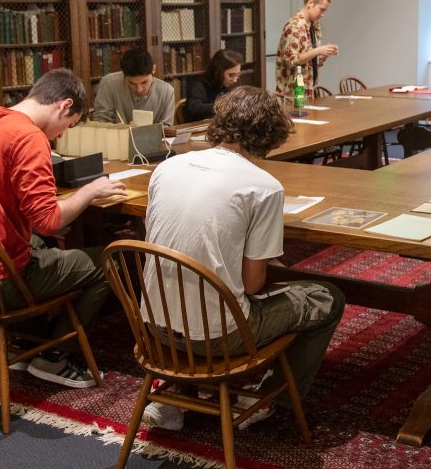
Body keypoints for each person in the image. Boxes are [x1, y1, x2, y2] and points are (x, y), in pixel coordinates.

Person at [140, 86, 345, 430]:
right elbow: (252, 285)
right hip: (216, 338)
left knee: (198, 293)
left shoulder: (166, 168)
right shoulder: (263, 187)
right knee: (327, 298)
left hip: (152, 328)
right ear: (269, 136)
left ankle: (174, 395)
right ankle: (266, 398)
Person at [0, 69, 127, 388]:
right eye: (70, 124)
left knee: (38, 244)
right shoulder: (29, 138)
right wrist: (89, 191)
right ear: (64, 106)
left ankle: (27, 341)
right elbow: (49, 220)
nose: (61, 136)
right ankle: (57, 356)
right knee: (109, 262)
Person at [275, 0, 339, 96]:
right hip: (293, 92)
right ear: (310, 3)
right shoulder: (294, 26)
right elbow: (292, 60)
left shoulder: (315, 26)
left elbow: (310, 62)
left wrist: (324, 54)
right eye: (321, 10)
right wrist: (318, 51)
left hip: (309, 88)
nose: (323, 14)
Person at [93, 49, 175, 125]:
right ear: (123, 74)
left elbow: (167, 127)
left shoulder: (167, 92)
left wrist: (149, 132)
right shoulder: (108, 84)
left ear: (153, 69)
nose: (139, 89)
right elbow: (101, 121)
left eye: (144, 82)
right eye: (132, 83)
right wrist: (124, 130)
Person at [183, 49, 242, 122]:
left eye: (238, 75)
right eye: (231, 75)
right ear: (218, 71)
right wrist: (220, 106)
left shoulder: (227, 84)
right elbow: (193, 108)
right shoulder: (198, 84)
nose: (235, 80)